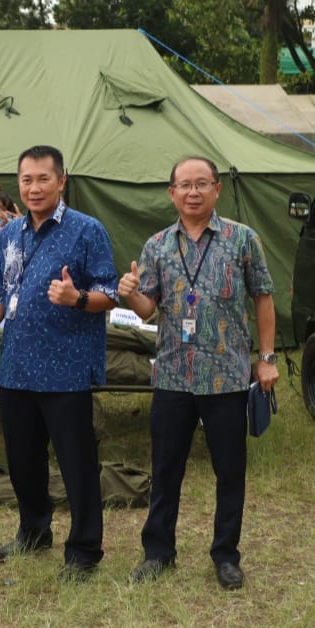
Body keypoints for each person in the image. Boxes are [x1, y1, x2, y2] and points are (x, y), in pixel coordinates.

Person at [0, 145, 118, 583]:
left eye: (44, 179)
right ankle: (33, 530)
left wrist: (76, 298)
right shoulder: (10, 234)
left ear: (61, 182)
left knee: (76, 464)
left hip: (66, 369)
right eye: (27, 180)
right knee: (23, 461)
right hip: (17, 367)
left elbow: (109, 293)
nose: (35, 187)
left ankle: (83, 550)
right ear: (18, 184)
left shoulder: (87, 231)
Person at [118, 156, 279, 591]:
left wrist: (266, 358)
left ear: (217, 189)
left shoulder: (242, 240)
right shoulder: (156, 246)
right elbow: (149, 309)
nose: (193, 192)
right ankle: (158, 552)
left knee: (229, 470)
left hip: (226, 376)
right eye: (184, 185)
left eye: (202, 184)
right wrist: (130, 295)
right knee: (166, 468)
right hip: (172, 375)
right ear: (171, 193)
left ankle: (226, 555)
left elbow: (264, 299)